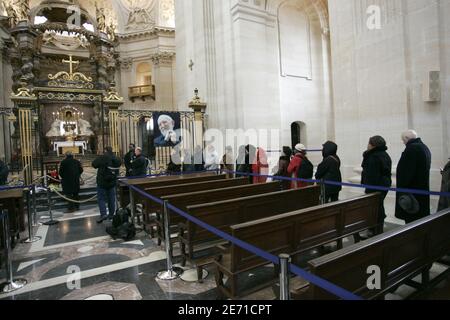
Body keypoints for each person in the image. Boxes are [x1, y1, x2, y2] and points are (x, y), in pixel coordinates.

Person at [395, 130, 432, 224]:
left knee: (412, 219)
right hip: (422, 189)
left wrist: (402, 187)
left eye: (403, 140)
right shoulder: (424, 147)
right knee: (420, 219)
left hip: (412, 193)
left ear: (407, 138)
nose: (403, 142)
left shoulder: (411, 149)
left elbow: (406, 173)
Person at [361, 136, 392, 234]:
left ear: (373, 145)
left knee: (375, 208)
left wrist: (368, 188)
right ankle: (377, 229)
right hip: (383, 184)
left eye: (369, 143)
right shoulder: (384, 154)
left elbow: (372, 174)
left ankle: (375, 230)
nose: (367, 145)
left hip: (375, 186)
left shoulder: (374, 156)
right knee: (378, 206)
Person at [92, 147, 122, 224]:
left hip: (102, 182)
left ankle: (103, 214)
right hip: (112, 182)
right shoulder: (117, 158)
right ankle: (111, 214)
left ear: (105, 151)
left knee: (101, 199)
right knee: (111, 199)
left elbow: (94, 164)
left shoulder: (103, 157)